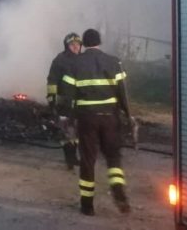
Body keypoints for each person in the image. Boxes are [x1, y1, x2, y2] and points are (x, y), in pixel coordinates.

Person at [66, 28, 135, 216]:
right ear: (99, 42)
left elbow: (68, 95)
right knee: (113, 157)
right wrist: (128, 115)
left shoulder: (75, 63)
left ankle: (87, 205)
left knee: (88, 160)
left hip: (87, 118)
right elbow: (123, 92)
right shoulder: (114, 62)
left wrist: (68, 118)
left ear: (84, 44)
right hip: (110, 117)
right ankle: (119, 191)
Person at [46, 32, 82, 169]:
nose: (76, 47)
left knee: (77, 131)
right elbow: (52, 80)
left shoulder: (83, 60)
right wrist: (52, 100)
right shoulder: (60, 60)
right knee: (67, 131)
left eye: (78, 44)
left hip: (80, 102)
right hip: (64, 103)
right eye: (72, 45)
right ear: (67, 46)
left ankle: (74, 157)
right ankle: (69, 159)